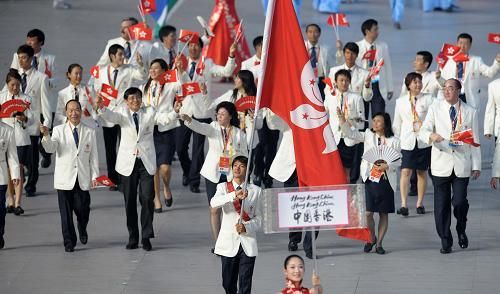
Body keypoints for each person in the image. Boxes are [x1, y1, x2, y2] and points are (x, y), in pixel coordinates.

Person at [95, 87, 181, 251]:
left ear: (142, 99)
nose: (135, 101)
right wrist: (101, 108)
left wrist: (175, 112)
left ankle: (146, 236)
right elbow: (110, 117)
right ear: (126, 101)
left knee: (148, 197)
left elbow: (163, 119)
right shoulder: (121, 112)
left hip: (146, 161)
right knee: (129, 201)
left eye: (138, 98)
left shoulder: (149, 111)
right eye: (131, 98)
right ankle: (133, 236)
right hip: (128, 164)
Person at [419, 78, 481, 254]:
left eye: (451, 88)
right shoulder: (435, 107)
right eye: (445, 88)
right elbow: (423, 130)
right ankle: (445, 240)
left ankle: (461, 228)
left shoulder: (470, 111)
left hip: (462, 163)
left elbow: (475, 140)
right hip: (440, 163)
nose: (447, 91)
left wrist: (476, 165)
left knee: (460, 202)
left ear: (458, 91)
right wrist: (431, 136)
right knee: (441, 206)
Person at [180, 101, 248, 252]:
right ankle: (218, 243)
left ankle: (232, 239)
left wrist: (244, 172)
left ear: (230, 116)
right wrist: (188, 120)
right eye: (218, 113)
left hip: (231, 175)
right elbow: (200, 127)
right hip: (213, 174)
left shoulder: (238, 133)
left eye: (223, 114)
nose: (219, 116)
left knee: (231, 209)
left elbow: (244, 154)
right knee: (214, 208)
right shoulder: (213, 127)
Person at [177, 38, 237, 193]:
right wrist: (179, 70)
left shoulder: (207, 63)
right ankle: (188, 171)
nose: (193, 48)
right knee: (180, 148)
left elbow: (226, 72)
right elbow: (178, 84)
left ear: (201, 48)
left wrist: (231, 55)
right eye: (190, 45)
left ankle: (194, 181)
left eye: (196, 45)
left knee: (197, 150)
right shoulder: (180, 61)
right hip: (185, 111)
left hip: (202, 112)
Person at [41, 100, 99, 252]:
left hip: (82, 177)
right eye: (71, 110)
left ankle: (82, 226)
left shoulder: (89, 131)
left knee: (83, 209)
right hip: (64, 178)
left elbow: (94, 157)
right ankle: (69, 241)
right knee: (65, 213)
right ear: (66, 113)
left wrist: (95, 177)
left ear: (81, 111)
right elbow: (51, 149)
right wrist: (46, 136)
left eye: (77, 110)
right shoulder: (59, 130)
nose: (74, 113)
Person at [339, 111, 401, 254]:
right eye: (374, 120)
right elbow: (351, 134)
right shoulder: (368, 135)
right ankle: (371, 237)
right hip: (370, 178)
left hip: (386, 180)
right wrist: (343, 121)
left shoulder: (394, 140)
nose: (375, 123)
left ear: (385, 123)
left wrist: (388, 166)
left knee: (383, 213)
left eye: (378, 121)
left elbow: (398, 160)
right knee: (368, 213)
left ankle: (379, 243)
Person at [91, 44, 147, 191]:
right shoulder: (102, 71)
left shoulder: (128, 70)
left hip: (123, 114)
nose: (123, 57)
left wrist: (140, 64)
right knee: (110, 149)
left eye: (123, 54)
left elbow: (142, 76)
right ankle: (113, 179)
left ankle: (124, 178)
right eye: (120, 54)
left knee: (125, 148)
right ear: (112, 56)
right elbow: (96, 88)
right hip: (107, 114)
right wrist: (98, 107)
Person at [266, 111, 317, 258]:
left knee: (311, 205)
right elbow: (273, 123)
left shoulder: (315, 124)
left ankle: (309, 244)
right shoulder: (290, 123)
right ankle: (294, 239)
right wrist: (270, 110)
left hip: (309, 169)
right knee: (294, 205)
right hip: (291, 170)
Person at [210, 155, 262, 294]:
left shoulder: (256, 191)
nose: (237, 168)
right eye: (235, 165)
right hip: (228, 244)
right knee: (228, 283)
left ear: (248, 170)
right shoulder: (223, 187)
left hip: (247, 243)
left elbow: (260, 220)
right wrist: (234, 195)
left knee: (245, 284)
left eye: (242, 166)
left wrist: (247, 227)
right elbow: (213, 203)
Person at [10, 29, 57, 169]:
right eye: (28, 40)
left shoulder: (50, 58)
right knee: (28, 138)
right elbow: (12, 75)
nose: (29, 43)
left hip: (44, 100)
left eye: (33, 41)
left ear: (40, 43)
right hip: (25, 105)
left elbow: (55, 79)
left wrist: (46, 81)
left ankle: (46, 153)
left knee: (45, 134)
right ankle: (28, 168)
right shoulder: (18, 56)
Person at [141, 58, 183, 212]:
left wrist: (179, 71)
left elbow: (181, 86)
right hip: (149, 131)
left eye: (156, 68)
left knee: (164, 167)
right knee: (153, 168)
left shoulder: (171, 85)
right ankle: (156, 198)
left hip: (166, 130)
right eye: (151, 68)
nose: (152, 71)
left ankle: (166, 186)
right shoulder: (147, 86)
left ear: (165, 71)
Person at [329, 42, 372, 184]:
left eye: (353, 53)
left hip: (351, 131)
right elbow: (327, 100)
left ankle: (351, 185)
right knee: (334, 168)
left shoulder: (364, 74)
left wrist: (366, 86)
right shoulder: (335, 70)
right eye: (347, 52)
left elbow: (367, 98)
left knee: (350, 165)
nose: (350, 56)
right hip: (334, 135)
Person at [393, 72, 434, 216]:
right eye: (414, 82)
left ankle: (419, 203)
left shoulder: (429, 99)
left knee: (422, 172)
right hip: (407, 141)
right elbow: (397, 124)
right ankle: (403, 204)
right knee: (405, 171)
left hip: (423, 141)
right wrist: (397, 141)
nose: (418, 84)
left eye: (419, 82)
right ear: (408, 85)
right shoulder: (401, 101)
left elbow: (433, 119)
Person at [12, 44, 51, 197]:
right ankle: (20, 181)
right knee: (20, 157)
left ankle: (31, 186)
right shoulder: (13, 76)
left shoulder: (41, 78)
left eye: (24, 58)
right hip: (15, 123)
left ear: (30, 59)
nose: (21, 61)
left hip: (33, 123)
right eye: (19, 58)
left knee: (32, 157)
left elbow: (46, 103)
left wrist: (46, 124)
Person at [242, 36, 279, 188]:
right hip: (255, 111)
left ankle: (268, 175)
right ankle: (257, 171)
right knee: (260, 143)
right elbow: (243, 87)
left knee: (272, 145)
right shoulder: (247, 64)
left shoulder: (276, 64)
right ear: (257, 47)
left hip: (272, 110)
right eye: (262, 46)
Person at [0, 70, 33, 216]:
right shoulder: (1, 98)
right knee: (7, 169)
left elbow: (32, 118)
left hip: (20, 138)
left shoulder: (26, 99)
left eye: (18, 85)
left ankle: (18, 202)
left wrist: (24, 118)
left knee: (18, 168)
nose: (15, 88)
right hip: (4, 139)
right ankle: (10, 199)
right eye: (12, 85)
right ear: (7, 84)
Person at [439, 33, 500, 109]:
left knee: (467, 120)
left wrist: (497, 62)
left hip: (468, 98)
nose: (462, 46)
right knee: (450, 119)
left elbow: (490, 73)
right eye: (460, 43)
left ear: (470, 45)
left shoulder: (476, 60)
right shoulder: (447, 60)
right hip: (451, 95)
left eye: (466, 44)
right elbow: (440, 79)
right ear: (456, 43)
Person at [324, 69, 364, 181]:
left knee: (348, 171)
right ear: (335, 82)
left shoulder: (357, 98)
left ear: (350, 82)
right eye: (341, 80)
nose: (344, 83)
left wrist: (349, 121)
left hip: (350, 138)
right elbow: (323, 115)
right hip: (334, 138)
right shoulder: (329, 97)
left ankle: (349, 193)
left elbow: (361, 122)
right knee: (335, 169)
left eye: (346, 80)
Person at [356, 19, 394, 118]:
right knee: (362, 117)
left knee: (378, 117)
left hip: (378, 86)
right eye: (375, 29)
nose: (378, 32)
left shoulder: (383, 46)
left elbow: (387, 67)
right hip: (363, 85)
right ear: (367, 31)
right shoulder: (357, 46)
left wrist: (390, 88)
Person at [0, 118, 21, 249]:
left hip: (0, 175)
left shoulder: (7, 130)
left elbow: (12, 155)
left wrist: (15, 175)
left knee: (0, 209)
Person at [304, 24, 330, 100]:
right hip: (305, 79)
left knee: (321, 102)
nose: (313, 34)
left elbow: (334, 64)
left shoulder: (325, 50)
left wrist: (339, 50)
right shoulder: (301, 47)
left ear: (319, 34)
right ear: (306, 33)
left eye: (315, 32)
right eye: (310, 32)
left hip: (320, 81)